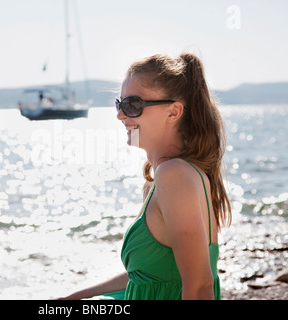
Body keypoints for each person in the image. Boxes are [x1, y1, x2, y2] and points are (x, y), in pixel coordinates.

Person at [61, 52, 232, 300]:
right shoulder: (165, 178)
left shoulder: (174, 175)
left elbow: (200, 286)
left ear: (173, 112)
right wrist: (73, 297)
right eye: (119, 104)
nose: (120, 115)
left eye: (132, 105)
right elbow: (148, 274)